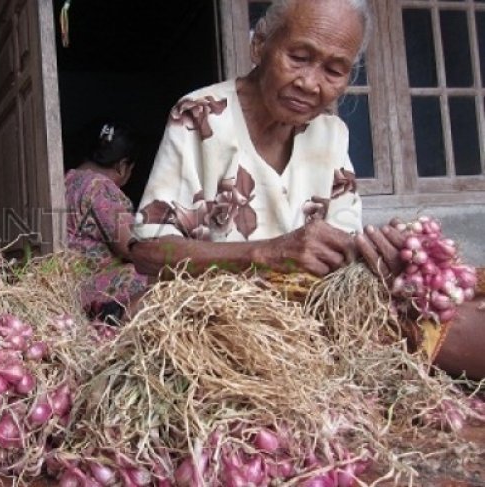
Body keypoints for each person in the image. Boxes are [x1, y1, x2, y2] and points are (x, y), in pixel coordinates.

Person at [130, 0, 485, 378]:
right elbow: (148, 252)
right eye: (298, 57)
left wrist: (385, 261)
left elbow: (343, 254)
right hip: (224, 317)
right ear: (260, 44)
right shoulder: (201, 116)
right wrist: (262, 253)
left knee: (457, 316)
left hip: (314, 316)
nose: (310, 83)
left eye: (334, 70)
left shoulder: (331, 134)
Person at [65, 121, 148, 322]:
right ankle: (114, 320)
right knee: (156, 272)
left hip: (67, 285)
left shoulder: (67, 180)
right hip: (87, 291)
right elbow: (131, 247)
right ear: (122, 166)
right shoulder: (100, 187)